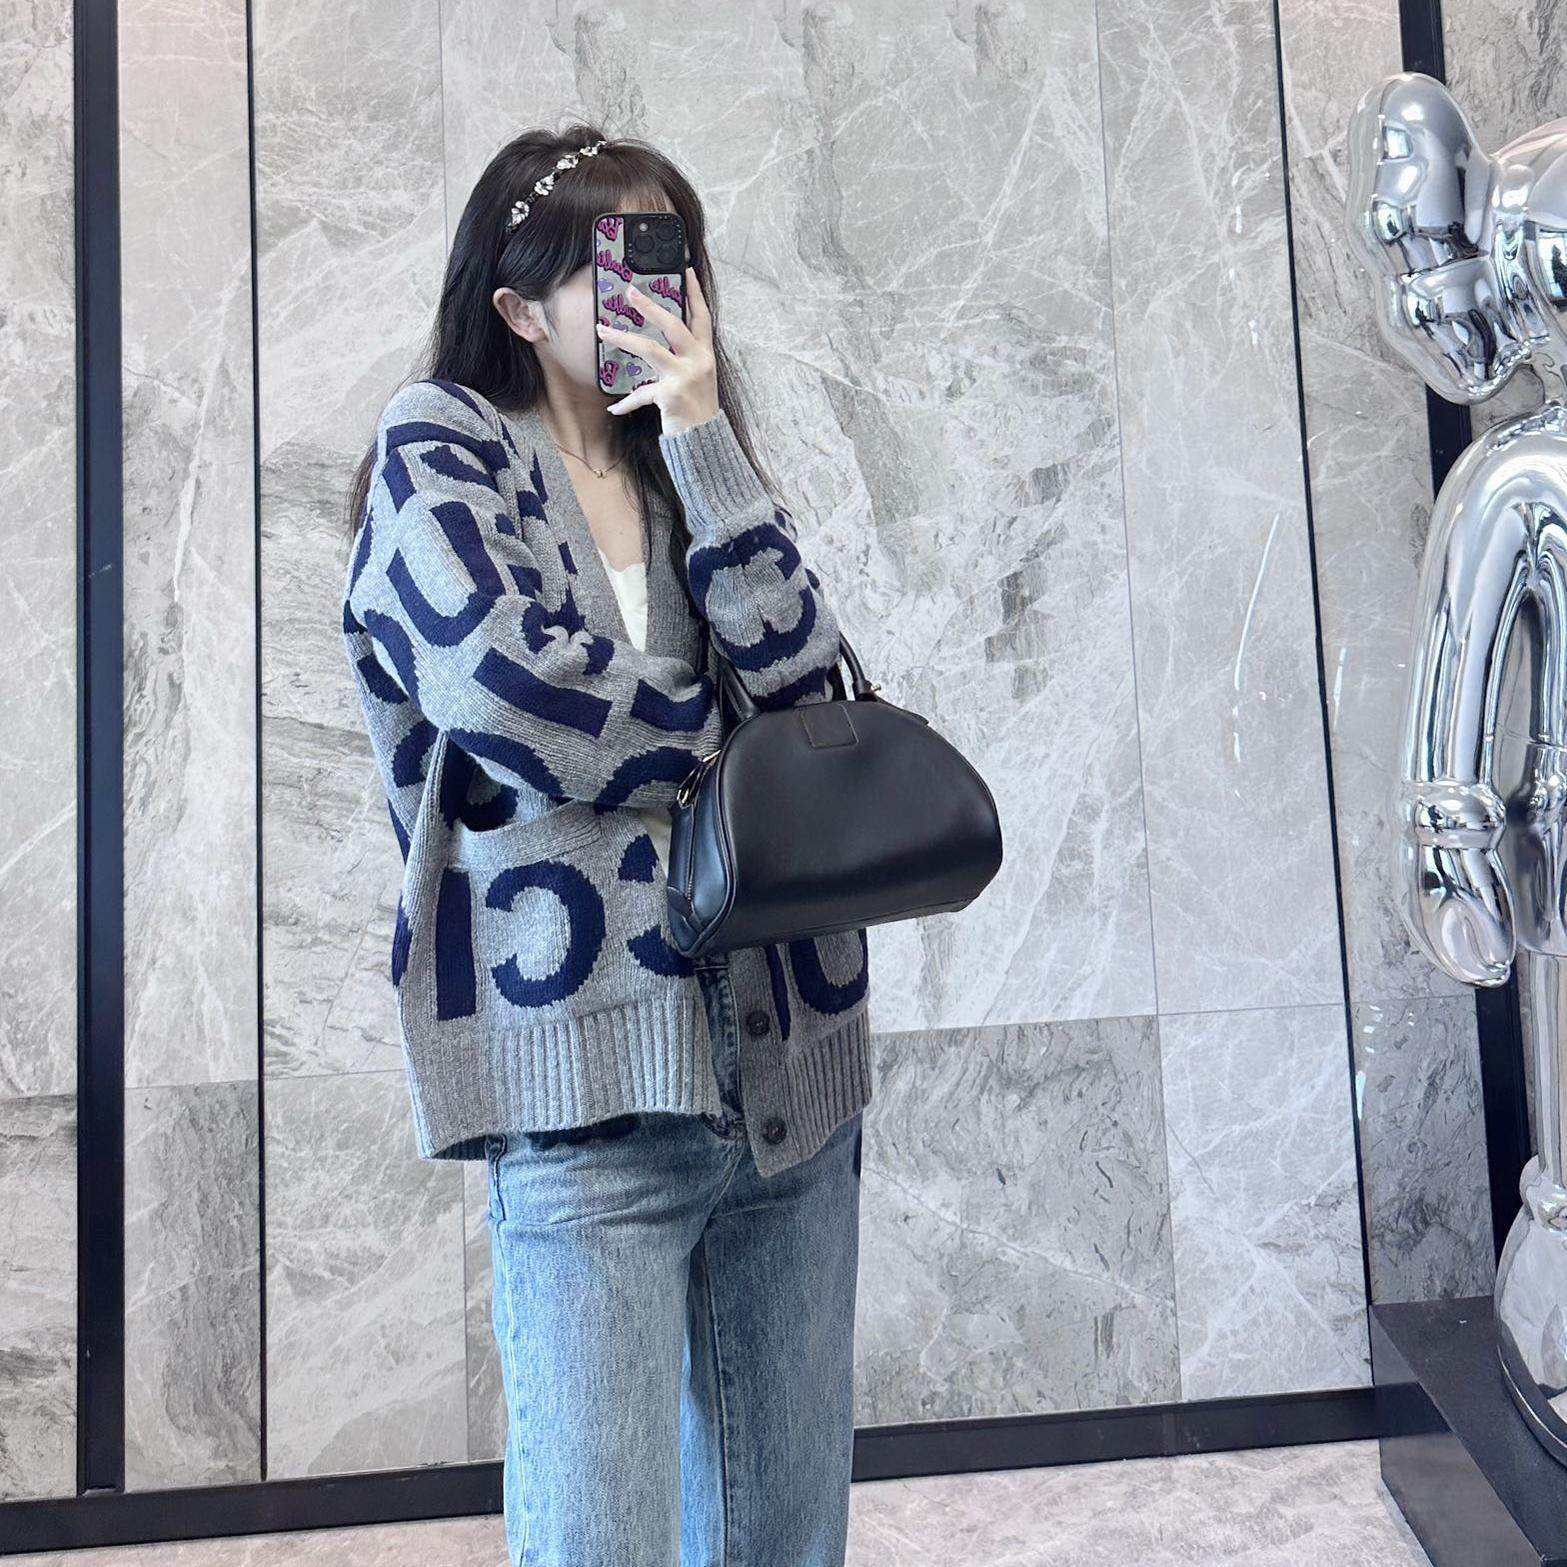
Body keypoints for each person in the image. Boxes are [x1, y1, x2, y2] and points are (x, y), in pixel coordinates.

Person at [339, 124, 874, 1565]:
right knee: (598, 1542)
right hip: (584, 1095)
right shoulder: (440, 444)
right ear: (518, 305)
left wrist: (702, 435)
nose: (661, 289)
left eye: (674, 252)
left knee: (785, 1544)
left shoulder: (688, 463)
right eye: (619, 261)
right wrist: (726, 754)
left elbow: (810, 689)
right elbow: (512, 696)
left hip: (789, 1072)